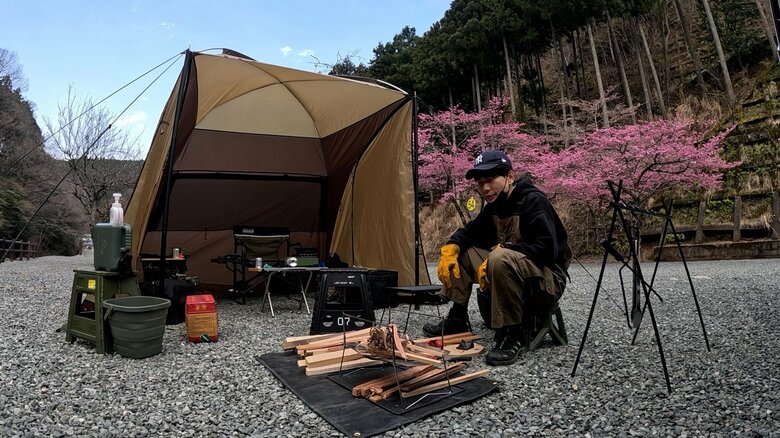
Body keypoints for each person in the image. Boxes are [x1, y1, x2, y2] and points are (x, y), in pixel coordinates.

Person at [422, 149, 571, 366]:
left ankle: (513, 333)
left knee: (499, 258)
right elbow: (469, 233)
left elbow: (548, 249)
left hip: (547, 280)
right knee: (463, 253)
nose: (485, 188)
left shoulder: (532, 201)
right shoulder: (495, 206)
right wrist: (451, 247)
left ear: (510, 176)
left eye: (490, 180)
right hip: (516, 271)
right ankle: (458, 317)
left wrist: (503, 252)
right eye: (480, 183)